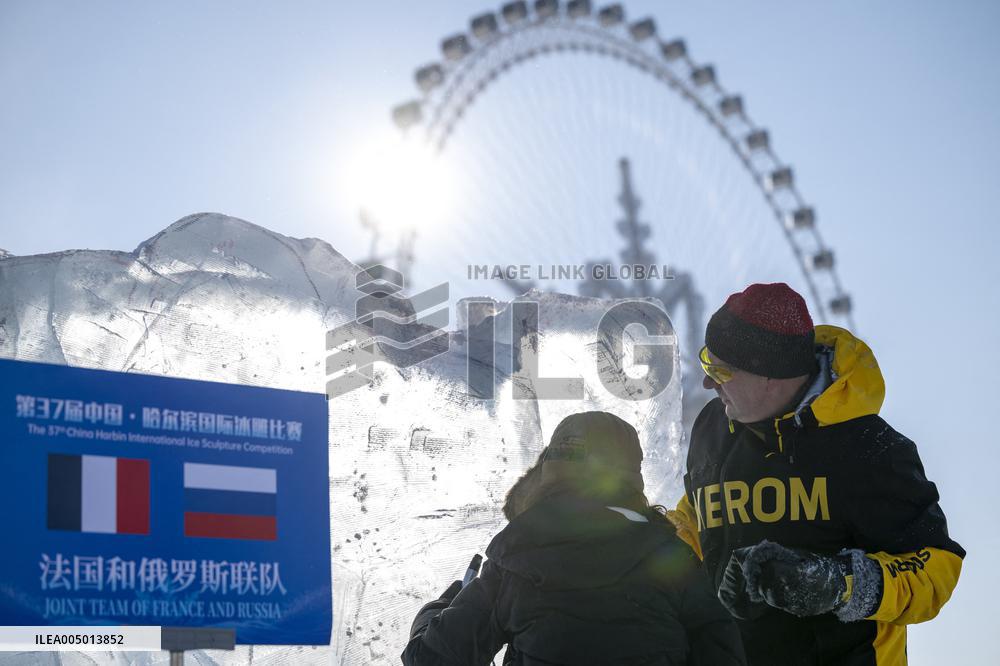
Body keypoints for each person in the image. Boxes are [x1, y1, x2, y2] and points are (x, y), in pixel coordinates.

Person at [667, 282, 964, 665]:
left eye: (720, 369)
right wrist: (649, 536)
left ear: (770, 374)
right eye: (707, 360)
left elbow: (937, 568)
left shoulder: (869, 450)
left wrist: (839, 584)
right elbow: (697, 512)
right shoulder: (713, 428)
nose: (708, 382)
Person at [401, 411, 746, 666]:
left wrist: (434, 613)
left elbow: (430, 660)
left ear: (549, 472)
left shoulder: (515, 560)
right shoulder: (673, 557)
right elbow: (723, 653)